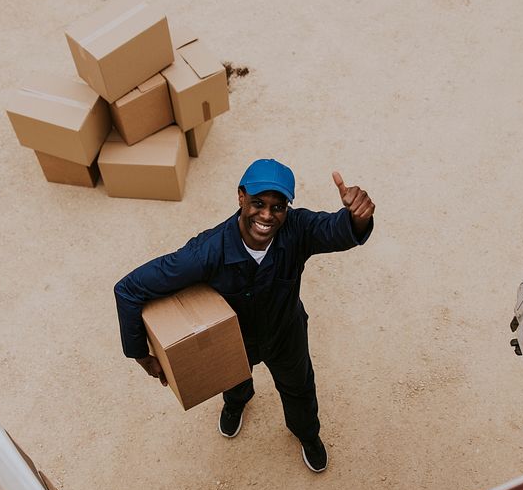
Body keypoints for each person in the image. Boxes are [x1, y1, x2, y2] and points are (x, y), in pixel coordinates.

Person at [113, 158, 375, 472]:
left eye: (278, 207)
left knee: (300, 388)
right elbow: (128, 289)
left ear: (287, 209)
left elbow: (338, 230)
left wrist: (357, 219)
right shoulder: (205, 253)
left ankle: (307, 434)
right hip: (234, 341)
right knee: (234, 382)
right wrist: (142, 356)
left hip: (285, 334)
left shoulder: (298, 229)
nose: (266, 215)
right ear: (240, 197)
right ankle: (235, 403)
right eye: (257, 203)